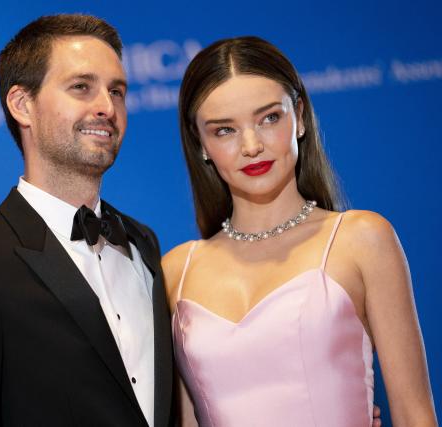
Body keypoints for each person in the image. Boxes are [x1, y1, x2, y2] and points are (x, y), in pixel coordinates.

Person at [162, 36, 437, 426]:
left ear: (300, 117)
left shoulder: (361, 239)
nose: (252, 145)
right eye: (225, 130)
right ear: (200, 144)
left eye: (269, 118)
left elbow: (414, 415)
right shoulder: (176, 271)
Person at [0, 14, 175, 427]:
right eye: (81, 87)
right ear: (22, 105)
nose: (107, 107)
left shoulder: (144, 243)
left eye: (117, 91)